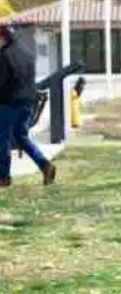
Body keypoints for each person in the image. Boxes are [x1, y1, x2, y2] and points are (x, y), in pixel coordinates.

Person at [0, 25, 55, 188]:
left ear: (3, 37)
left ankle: (3, 177)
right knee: (21, 137)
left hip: (8, 104)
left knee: (2, 139)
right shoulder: (27, 53)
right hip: (28, 103)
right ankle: (45, 166)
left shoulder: (4, 56)